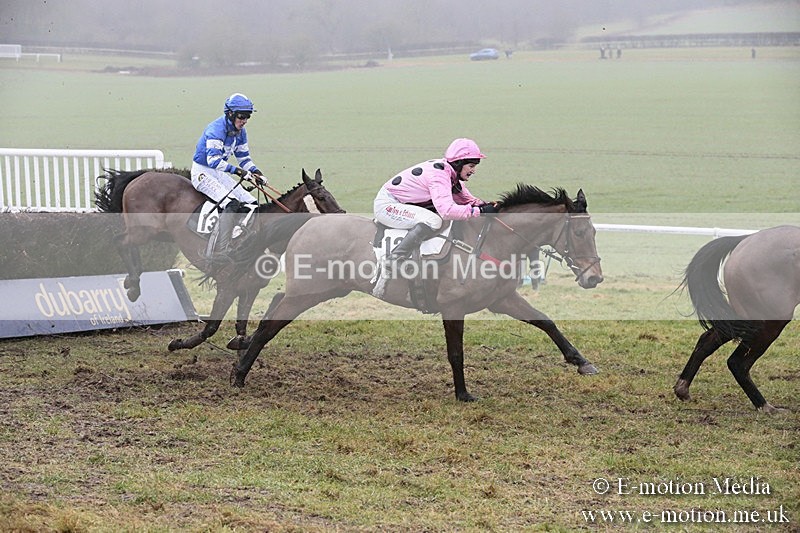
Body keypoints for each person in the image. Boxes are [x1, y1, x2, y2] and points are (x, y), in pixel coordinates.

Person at [373, 138, 497, 263]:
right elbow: (447, 211)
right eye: (471, 166)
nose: (473, 171)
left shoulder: (449, 173)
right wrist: (479, 211)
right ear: (459, 163)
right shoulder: (439, 177)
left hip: (399, 203)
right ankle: (394, 258)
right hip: (388, 206)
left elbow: (466, 199)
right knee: (433, 221)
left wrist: (486, 205)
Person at [191, 93, 268, 262]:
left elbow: (244, 159)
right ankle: (222, 249)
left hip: (218, 172)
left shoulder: (241, 132)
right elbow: (213, 161)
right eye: (242, 116)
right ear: (230, 114)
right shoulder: (216, 130)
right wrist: (239, 172)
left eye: (248, 117)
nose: (245, 120)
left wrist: (256, 172)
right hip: (202, 173)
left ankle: (240, 237)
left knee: (252, 203)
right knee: (231, 203)